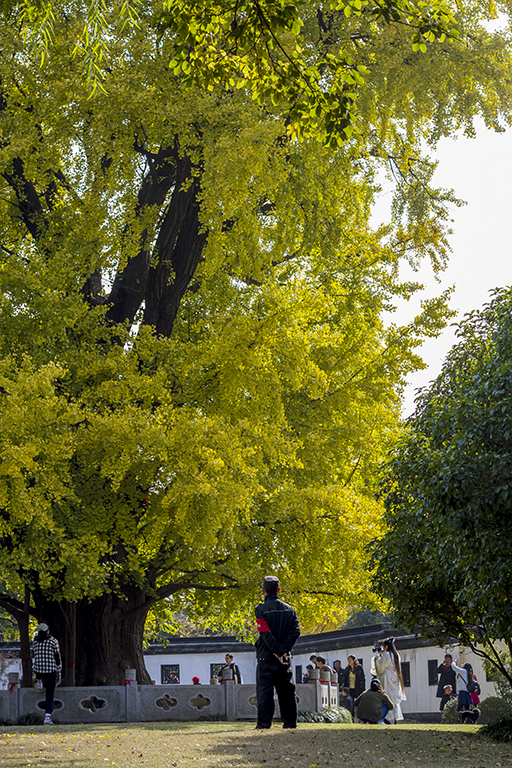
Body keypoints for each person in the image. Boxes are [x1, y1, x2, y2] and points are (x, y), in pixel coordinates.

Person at [254, 574, 300, 729]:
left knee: (264, 692)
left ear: (263, 590)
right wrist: (283, 651)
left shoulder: (261, 610)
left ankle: (264, 724)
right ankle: (290, 723)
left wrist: (277, 651)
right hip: (285, 658)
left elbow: (265, 634)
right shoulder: (290, 610)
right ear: (278, 590)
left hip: (266, 658)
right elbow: (296, 632)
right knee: (287, 692)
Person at [32, 622, 61, 725]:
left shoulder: (35, 642)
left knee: (38, 666)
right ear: (47, 631)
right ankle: (47, 716)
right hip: (50, 669)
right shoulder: (53, 641)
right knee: (50, 694)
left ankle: (39, 681)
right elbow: (57, 658)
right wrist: (59, 674)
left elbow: (34, 655)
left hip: (38, 669)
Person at [372, 637, 406, 723]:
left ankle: (387, 718)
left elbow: (381, 668)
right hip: (395, 678)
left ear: (386, 646)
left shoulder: (387, 655)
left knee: (387, 697)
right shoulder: (396, 655)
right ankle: (394, 719)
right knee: (394, 698)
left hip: (387, 678)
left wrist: (377, 657)